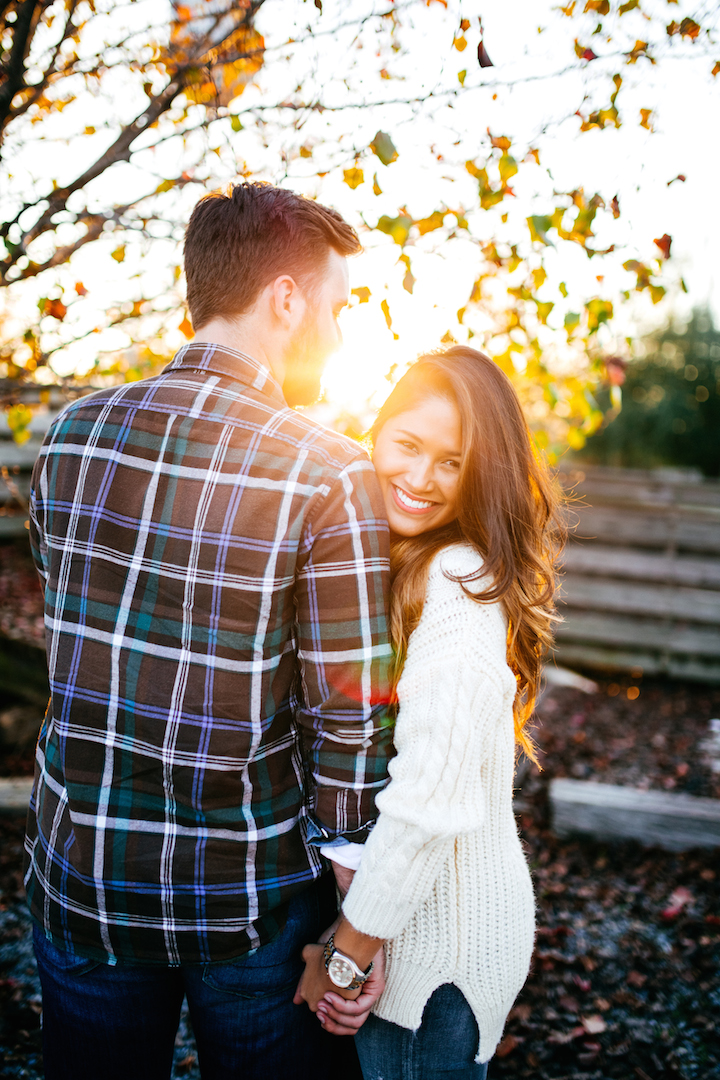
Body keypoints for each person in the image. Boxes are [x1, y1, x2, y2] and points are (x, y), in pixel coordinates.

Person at [24, 182, 394, 1080]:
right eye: (336, 308)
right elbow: (349, 722)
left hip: (82, 878)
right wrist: (357, 931)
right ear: (285, 299)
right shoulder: (330, 474)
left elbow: (73, 635)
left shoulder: (68, 438)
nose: (340, 335)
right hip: (247, 907)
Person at [295, 346, 562, 1078]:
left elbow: (428, 797)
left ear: (482, 474)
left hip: (428, 960)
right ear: (376, 434)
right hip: (416, 937)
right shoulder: (400, 560)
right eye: (407, 445)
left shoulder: (453, 580)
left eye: (452, 462)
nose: (418, 479)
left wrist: (350, 951)